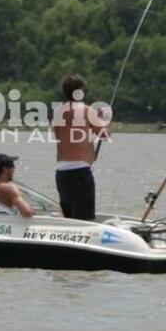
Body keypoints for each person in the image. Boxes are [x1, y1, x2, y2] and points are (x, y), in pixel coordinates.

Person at [51, 73, 110, 220]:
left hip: (61, 172)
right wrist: (106, 119)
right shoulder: (86, 110)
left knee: (69, 218)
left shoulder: (58, 112)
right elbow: (104, 135)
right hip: (80, 173)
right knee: (84, 219)